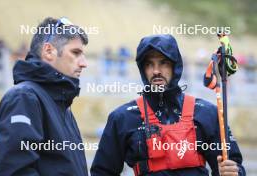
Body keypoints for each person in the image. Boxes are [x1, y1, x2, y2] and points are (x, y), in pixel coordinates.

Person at [91, 34, 246, 176]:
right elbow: (102, 172)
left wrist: (233, 172)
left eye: (163, 63)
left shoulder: (208, 113)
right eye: (149, 64)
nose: (156, 71)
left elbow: (235, 166)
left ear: (175, 66)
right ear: (142, 69)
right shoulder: (122, 118)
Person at [0, 17, 89, 176]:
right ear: (49, 51)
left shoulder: (62, 105)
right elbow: (14, 171)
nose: (84, 63)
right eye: (75, 53)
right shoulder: (24, 98)